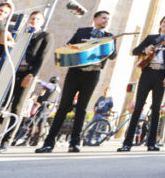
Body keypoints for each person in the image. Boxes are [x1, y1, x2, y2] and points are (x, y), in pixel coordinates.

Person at [36, 10, 117, 153]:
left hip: (92, 73)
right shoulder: (82, 32)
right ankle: (49, 142)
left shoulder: (109, 37)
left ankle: (74, 143)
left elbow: (113, 56)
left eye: (107, 19)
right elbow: (69, 46)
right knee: (63, 107)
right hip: (75, 72)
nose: (106, 21)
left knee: (82, 108)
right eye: (103, 18)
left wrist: (109, 46)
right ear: (95, 18)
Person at [0, 9, 53, 152]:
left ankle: (7, 141)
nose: (34, 21)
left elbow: (42, 59)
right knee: (1, 105)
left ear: (42, 22)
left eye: (38, 19)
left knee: (17, 107)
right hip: (12, 71)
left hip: (27, 73)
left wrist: (31, 75)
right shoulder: (20, 34)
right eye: (32, 18)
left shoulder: (45, 36)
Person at [119, 15, 165, 152]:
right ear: (160, 24)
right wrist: (144, 50)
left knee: (156, 109)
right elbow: (135, 51)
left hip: (161, 75)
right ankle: (127, 143)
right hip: (147, 73)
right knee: (138, 107)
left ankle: (152, 143)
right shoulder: (151, 38)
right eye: (164, 22)